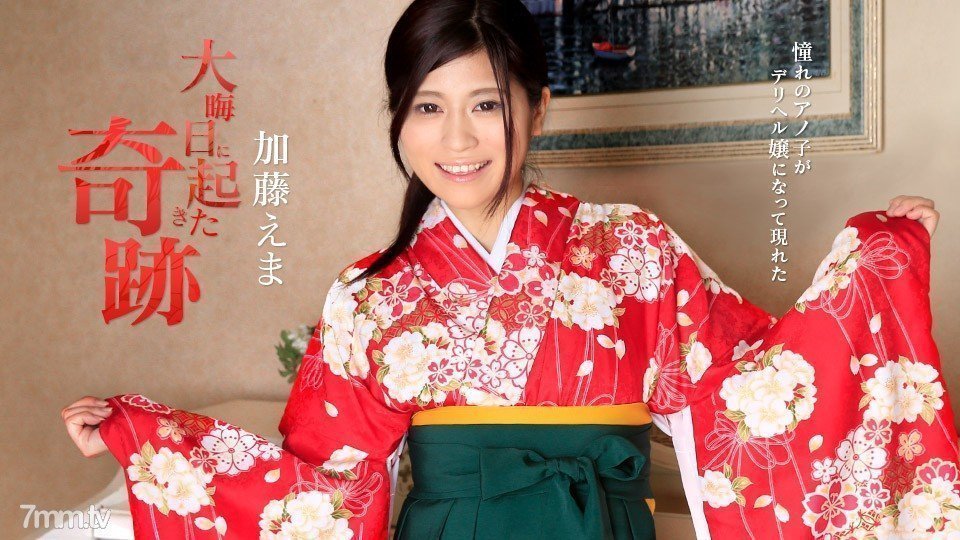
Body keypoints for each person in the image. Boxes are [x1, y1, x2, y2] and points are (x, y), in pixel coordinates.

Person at [61, 1, 956, 539]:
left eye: (486, 104)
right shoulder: (371, 295)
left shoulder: (633, 248)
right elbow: (320, 488)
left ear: (537, 108)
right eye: (428, 107)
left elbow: (761, 392)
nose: (456, 139)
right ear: (399, 120)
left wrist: (876, 266)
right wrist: (146, 439)